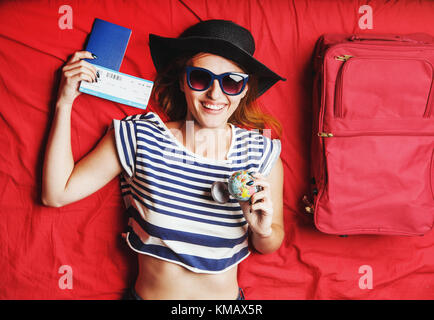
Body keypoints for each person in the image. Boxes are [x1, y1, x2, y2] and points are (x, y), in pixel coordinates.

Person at [42, 19, 285, 300]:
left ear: (244, 90)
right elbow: (55, 193)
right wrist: (64, 101)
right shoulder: (140, 135)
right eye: (200, 78)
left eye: (231, 82)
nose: (215, 94)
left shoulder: (260, 152)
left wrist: (262, 230)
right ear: (183, 81)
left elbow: (270, 243)